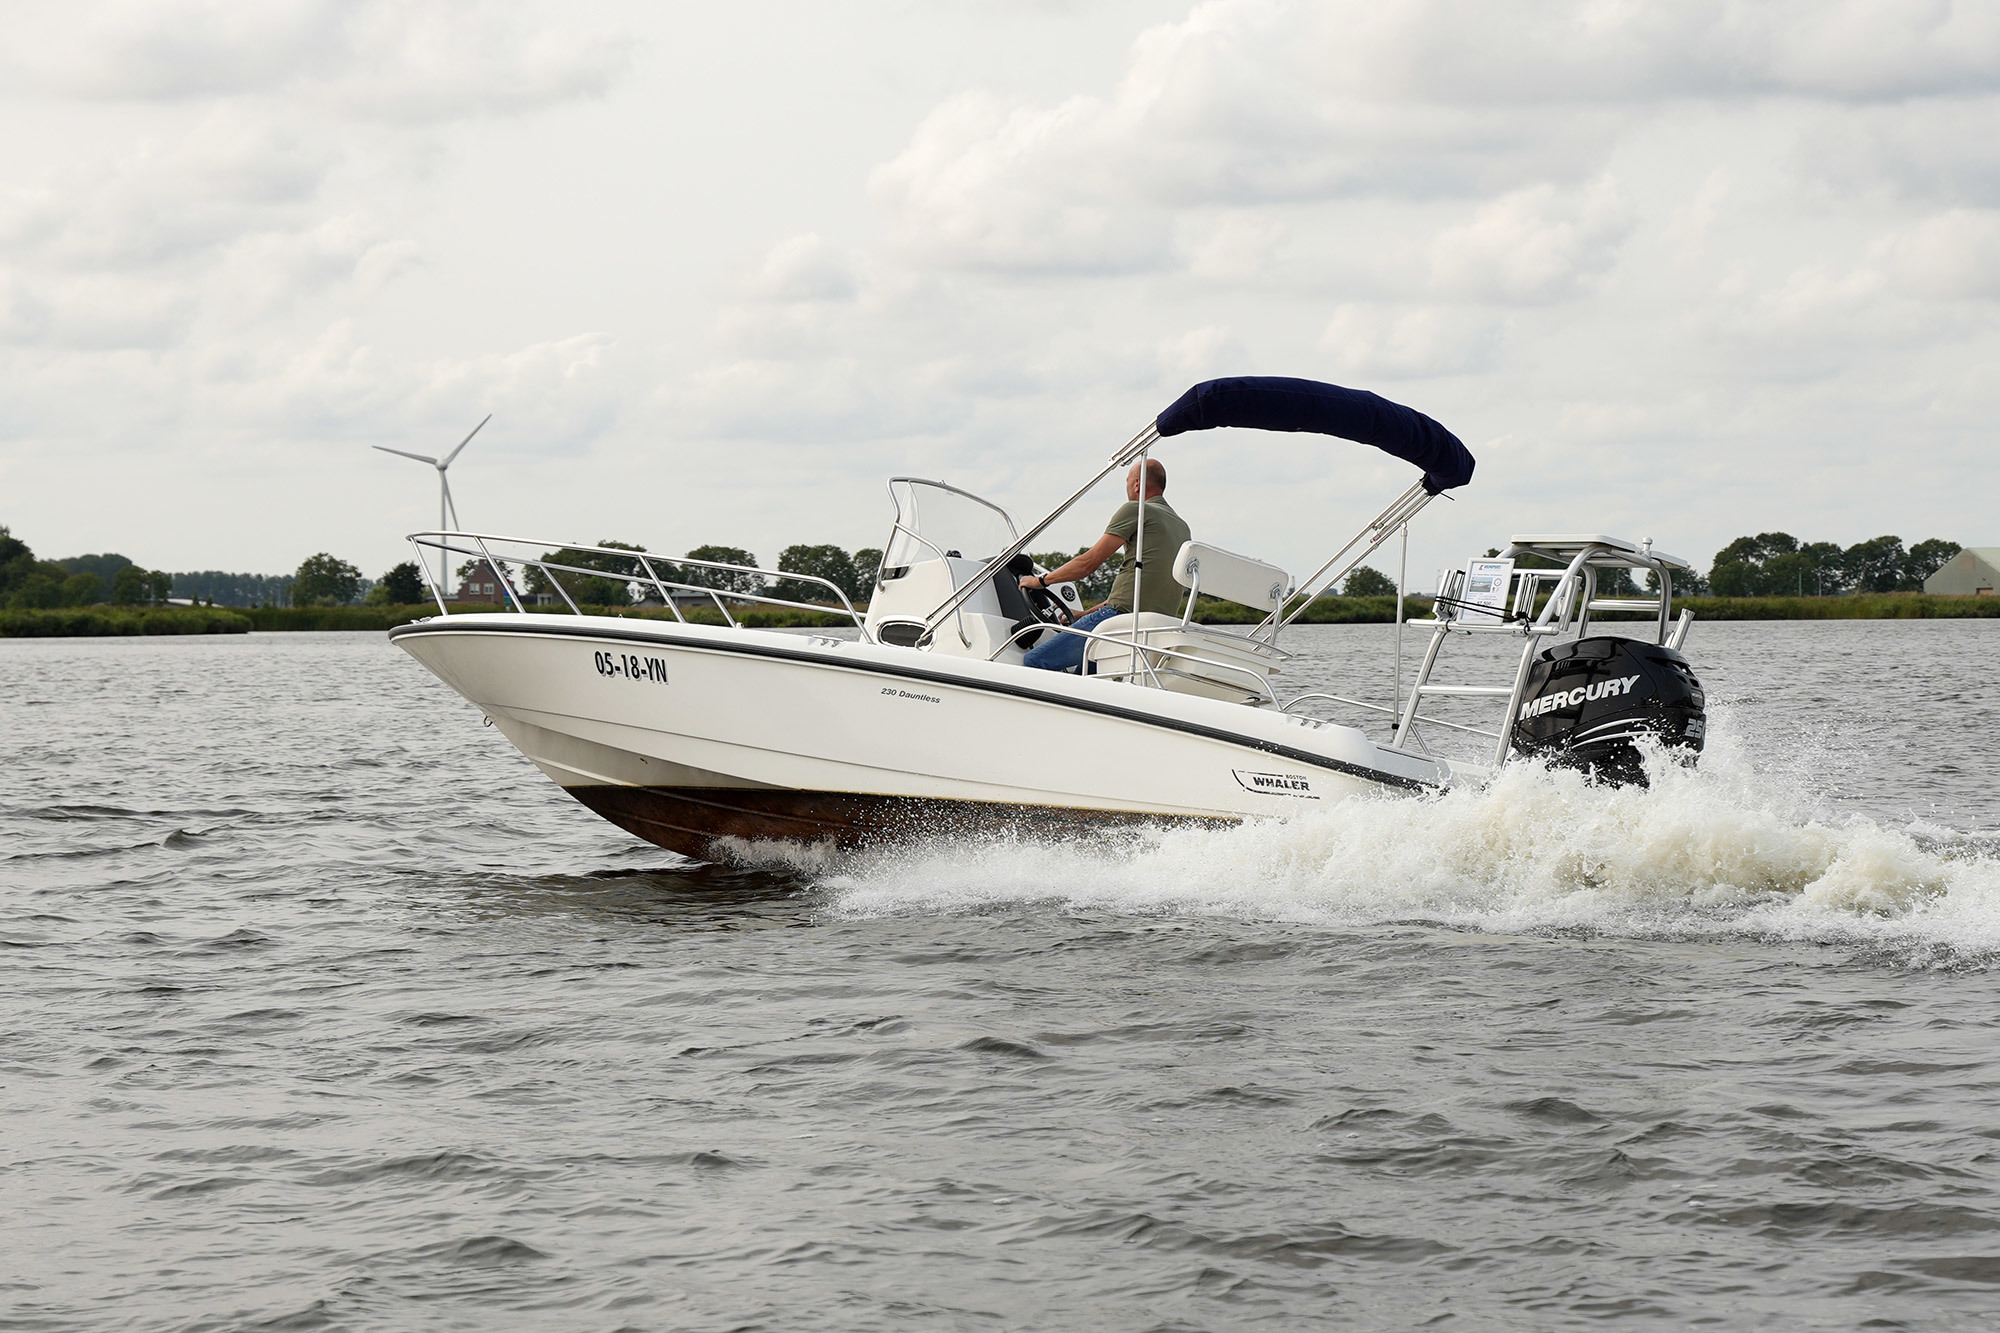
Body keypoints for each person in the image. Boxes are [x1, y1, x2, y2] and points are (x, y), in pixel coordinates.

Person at [1019, 458, 1190, 672]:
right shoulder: (1182, 527)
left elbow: (1088, 564)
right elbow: (1143, 590)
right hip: (1155, 629)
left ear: (1137, 483)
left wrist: (1039, 581)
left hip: (1119, 622)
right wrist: (1084, 614)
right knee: (1086, 674)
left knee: (1033, 661)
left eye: (1127, 481)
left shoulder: (1136, 510)